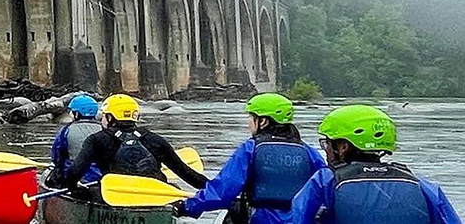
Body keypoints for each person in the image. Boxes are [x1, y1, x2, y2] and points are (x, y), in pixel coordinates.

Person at [288, 105, 459, 224]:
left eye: (327, 144)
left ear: (342, 147)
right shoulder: (419, 184)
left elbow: (299, 217)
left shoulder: (326, 180)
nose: (325, 150)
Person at [174, 93, 326, 223]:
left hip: (261, 219)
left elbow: (223, 190)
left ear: (263, 121)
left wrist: (186, 206)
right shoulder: (309, 152)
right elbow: (326, 189)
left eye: (251, 117)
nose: (249, 123)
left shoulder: (250, 149)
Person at [50, 94, 207, 192]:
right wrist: (215, 190)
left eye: (104, 115)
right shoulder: (155, 140)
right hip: (151, 194)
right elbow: (186, 173)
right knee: (175, 189)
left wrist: (74, 190)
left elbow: (74, 173)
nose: (102, 119)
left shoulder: (97, 140)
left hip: (115, 194)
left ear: (110, 118)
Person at [49, 94, 104, 188]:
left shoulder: (66, 130)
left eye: (72, 111)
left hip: (74, 178)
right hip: (101, 178)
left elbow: (56, 156)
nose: (70, 113)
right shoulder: (105, 130)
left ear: (77, 114)